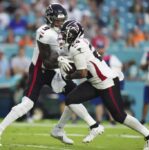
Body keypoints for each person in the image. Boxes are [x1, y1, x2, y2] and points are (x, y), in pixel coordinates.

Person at [0, 4, 103, 146]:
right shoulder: (44, 32)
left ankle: (59, 129)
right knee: (27, 104)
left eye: (62, 20)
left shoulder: (67, 31)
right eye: (57, 20)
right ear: (49, 19)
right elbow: (47, 61)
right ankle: (0, 128)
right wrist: (62, 62)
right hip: (40, 69)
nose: (60, 23)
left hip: (55, 70)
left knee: (73, 96)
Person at [59, 20, 149, 149]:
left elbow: (83, 72)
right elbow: (84, 63)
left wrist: (68, 75)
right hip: (95, 82)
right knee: (71, 99)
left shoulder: (77, 47)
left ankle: (148, 136)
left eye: (66, 33)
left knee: (119, 116)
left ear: (74, 33)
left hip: (107, 82)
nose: (63, 36)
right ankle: (94, 126)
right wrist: (64, 60)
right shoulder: (79, 43)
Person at [140, 50, 149, 124]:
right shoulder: (147, 53)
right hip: (148, 82)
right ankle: (143, 119)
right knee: (146, 102)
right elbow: (141, 66)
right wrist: (147, 63)